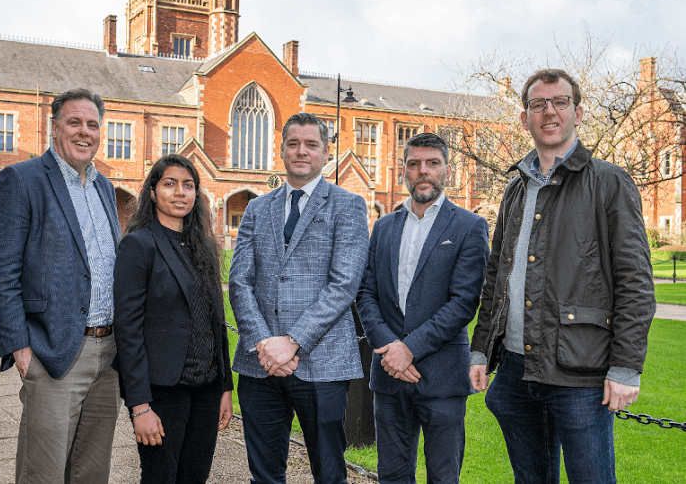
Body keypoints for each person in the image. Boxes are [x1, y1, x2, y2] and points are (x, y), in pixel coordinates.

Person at [469, 69, 656, 484]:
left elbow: (636, 283)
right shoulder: (516, 189)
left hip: (580, 374)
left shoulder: (608, 183)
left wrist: (625, 368)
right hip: (516, 371)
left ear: (578, 111)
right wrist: (482, 349)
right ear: (525, 118)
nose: (548, 112)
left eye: (559, 102)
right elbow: (497, 274)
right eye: (538, 104)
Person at [0, 88, 122, 484]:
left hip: (108, 355)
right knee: (42, 474)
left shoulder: (104, 187)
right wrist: (19, 348)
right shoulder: (22, 180)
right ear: (55, 127)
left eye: (92, 124)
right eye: (74, 122)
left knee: (91, 473)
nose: (84, 132)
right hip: (54, 352)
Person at [229, 112, 370, 484]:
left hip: (322, 363)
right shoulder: (258, 208)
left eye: (311, 144)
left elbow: (344, 285)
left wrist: (291, 343)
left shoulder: (348, 205)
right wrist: (263, 342)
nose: (301, 151)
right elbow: (239, 280)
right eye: (293, 144)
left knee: (328, 472)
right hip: (259, 365)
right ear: (282, 150)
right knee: (265, 473)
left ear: (326, 152)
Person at [356, 133, 489, 484]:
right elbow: (366, 294)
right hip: (388, 374)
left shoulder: (469, 227)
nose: (423, 171)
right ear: (404, 170)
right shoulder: (383, 227)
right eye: (414, 164)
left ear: (447, 169)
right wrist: (389, 348)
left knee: (443, 477)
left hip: (442, 376)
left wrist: (409, 349)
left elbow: (464, 303)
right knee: (393, 476)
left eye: (432, 163)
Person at [113, 154, 233, 483]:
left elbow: (216, 323)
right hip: (163, 391)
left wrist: (225, 387)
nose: (180, 192)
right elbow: (128, 331)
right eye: (170, 184)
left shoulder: (203, 247)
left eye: (188, 185)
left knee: (194, 478)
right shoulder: (138, 246)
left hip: (207, 391)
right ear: (152, 193)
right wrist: (139, 405)